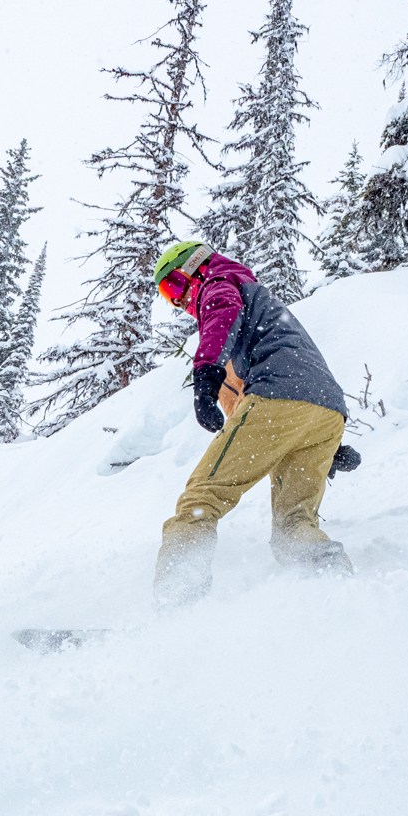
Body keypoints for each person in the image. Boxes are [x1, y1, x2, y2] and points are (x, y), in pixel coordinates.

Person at [151, 240, 357, 608]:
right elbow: (304, 379)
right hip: (327, 414)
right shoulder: (265, 308)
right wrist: (330, 445)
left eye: (175, 286)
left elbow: (220, 314)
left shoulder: (219, 284)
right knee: (295, 523)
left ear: (195, 269)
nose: (178, 302)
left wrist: (206, 373)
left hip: (279, 397)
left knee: (202, 499)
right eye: (169, 297)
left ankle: (177, 604)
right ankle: (336, 592)